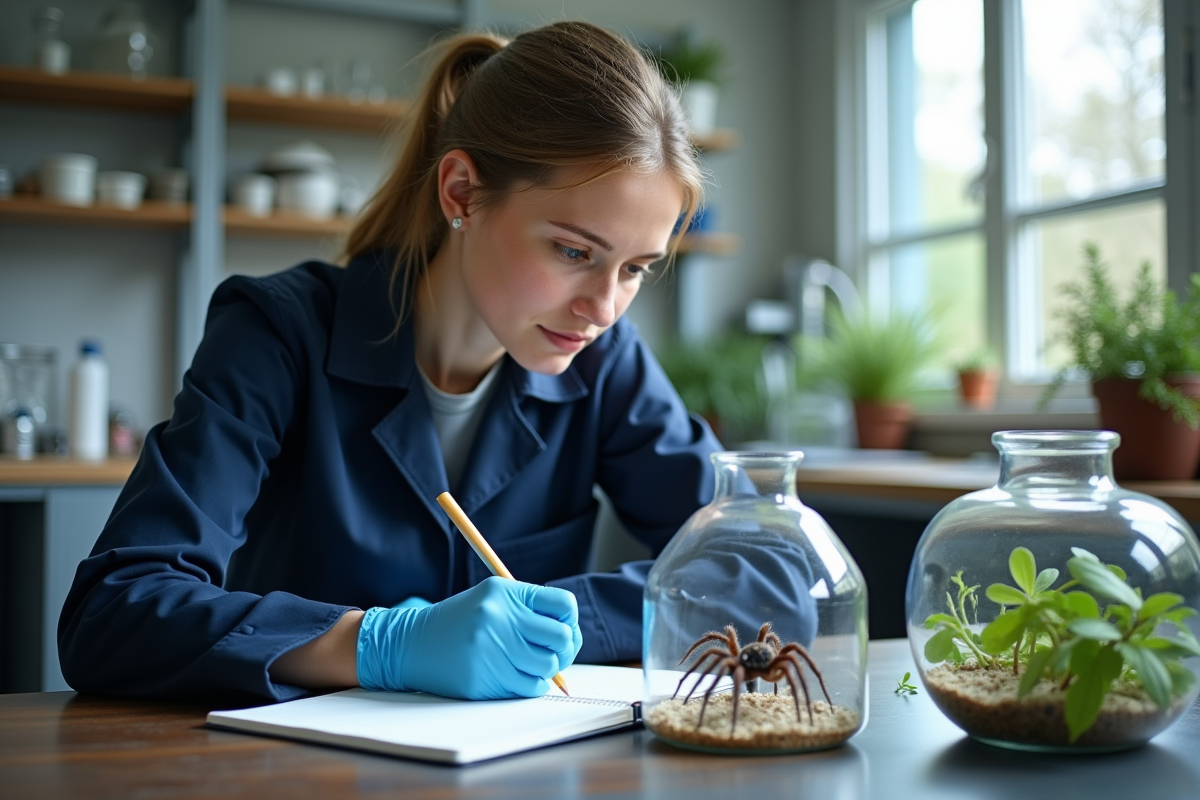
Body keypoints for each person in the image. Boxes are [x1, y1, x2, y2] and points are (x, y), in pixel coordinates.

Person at [57, 21, 721, 703]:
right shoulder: (278, 333)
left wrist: (559, 621)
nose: (604, 308)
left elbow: (757, 566)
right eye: (574, 252)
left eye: (636, 268)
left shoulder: (604, 362)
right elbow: (114, 610)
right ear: (461, 192)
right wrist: (383, 644)